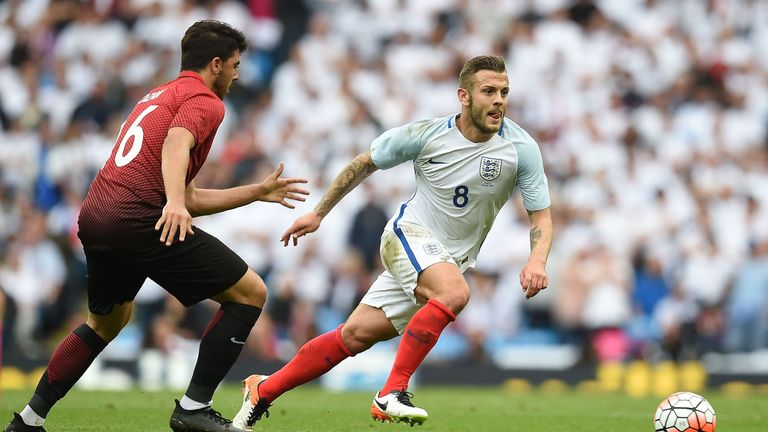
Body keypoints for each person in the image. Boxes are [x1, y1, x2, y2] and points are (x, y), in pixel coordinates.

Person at [4, 20, 309, 432]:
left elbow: (191, 196)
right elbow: (176, 146)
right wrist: (177, 204)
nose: (238, 75)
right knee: (251, 293)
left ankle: (28, 419)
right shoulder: (206, 102)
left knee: (106, 322)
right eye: (235, 65)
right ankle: (194, 408)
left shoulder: (158, 95)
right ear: (215, 64)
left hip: (97, 218)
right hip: (137, 219)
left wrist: (255, 191)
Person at [232, 55, 553, 428]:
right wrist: (318, 214)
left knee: (353, 337)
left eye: (504, 92)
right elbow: (364, 162)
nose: (499, 100)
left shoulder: (521, 149)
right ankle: (391, 392)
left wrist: (537, 261)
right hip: (409, 236)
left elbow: (541, 215)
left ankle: (263, 389)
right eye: (489, 91)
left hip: (447, 259)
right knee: (454, 294)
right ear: (464, 96)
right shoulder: (428, 135)